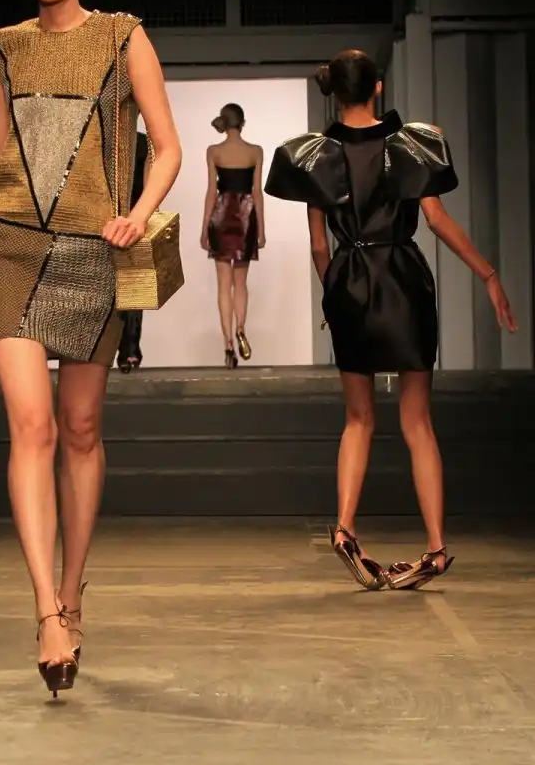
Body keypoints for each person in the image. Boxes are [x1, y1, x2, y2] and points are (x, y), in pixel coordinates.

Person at [0, 0, 181, 695]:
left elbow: (168, 146)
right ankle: (47, 611)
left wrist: (139, 212)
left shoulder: (123, 36)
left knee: (81, 429)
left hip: (93, 250)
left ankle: (73, 589)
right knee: (34, 425)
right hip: (10, 246)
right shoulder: (2, 48)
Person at [265, 49, 516, 591]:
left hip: (350, 280)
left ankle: (345, 527)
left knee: (358, 419)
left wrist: (333, 295)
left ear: (334, 91)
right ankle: (436, 548)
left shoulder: (313, 156)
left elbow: (318, 246)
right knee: (417, 421)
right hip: (404, 278)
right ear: (377, 86)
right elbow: (437, 219)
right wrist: (488, 274)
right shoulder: (411, 145)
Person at [201, 104, 265, 368]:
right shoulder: (255, 151)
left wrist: (205, 228)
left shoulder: (214, 151)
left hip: (221, 214)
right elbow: (257, 193)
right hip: (245, 215)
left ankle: (228, 343)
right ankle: (240, 328)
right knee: (241, 282)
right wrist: (261, 229)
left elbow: (211, 192)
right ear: (243, 122)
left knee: (223, 284)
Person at [117, 131, 151, 372]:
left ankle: (128, 349)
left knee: (131, 288)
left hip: (123, 219)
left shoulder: (140, 142)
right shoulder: (142, 142)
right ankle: (129, 351)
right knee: (131, 288)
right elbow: (149, 184)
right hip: (132, 219)